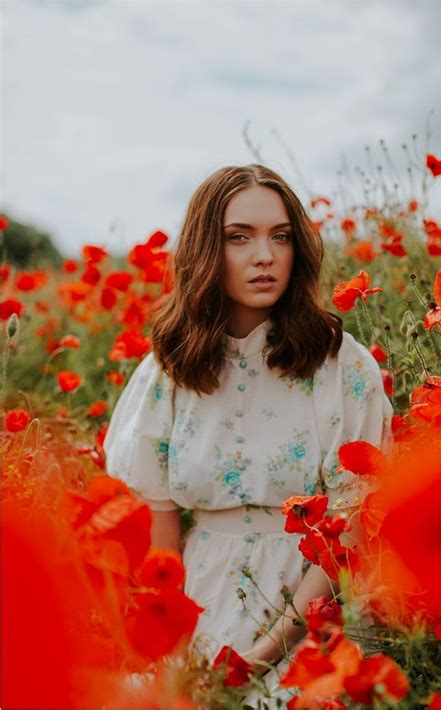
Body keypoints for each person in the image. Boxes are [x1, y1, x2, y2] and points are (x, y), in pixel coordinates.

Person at [103, 164, 392, 679]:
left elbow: (347, 527)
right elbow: (159, 527)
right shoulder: (169, 367)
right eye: (239, 237)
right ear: (204, 252)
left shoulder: (341, 367)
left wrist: (263, 657)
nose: (265, 256)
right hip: (201, 599)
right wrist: (168, 647)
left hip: (316, 612)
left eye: (281, 237)